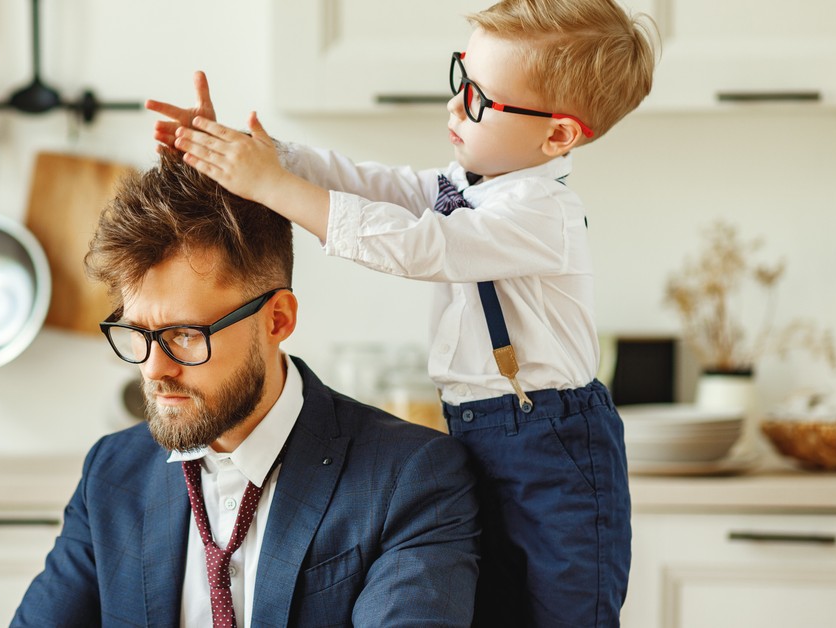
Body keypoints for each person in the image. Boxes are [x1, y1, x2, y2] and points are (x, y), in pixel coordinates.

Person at [145, 1, 658, 625]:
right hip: (479, 430)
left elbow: (419, 246)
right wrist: (259, 155)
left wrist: (271, 186)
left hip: (553, 449)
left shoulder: (541, 213)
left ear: (558, 135)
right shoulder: (469, 184)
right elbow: (372, 184)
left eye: (479, 98)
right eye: (460, 76)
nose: (454, 104)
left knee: (562, 612)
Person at [10, 153, 482, 627]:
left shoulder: (411, 477)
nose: (154, 369)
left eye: (186, 334)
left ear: (277, 319)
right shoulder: (112, 475)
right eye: (139, 332)